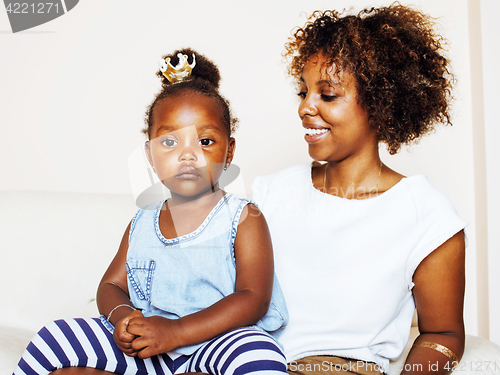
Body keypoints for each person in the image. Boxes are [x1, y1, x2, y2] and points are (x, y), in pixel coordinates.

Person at [14, 48, 288, 375]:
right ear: (150, 153)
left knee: (258, 352)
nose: (188, 155)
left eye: (205, 141)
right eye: (170, 142)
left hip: (217, 341)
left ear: (229, 151)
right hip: (148, 346)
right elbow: (111, 286)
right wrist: (125, 319)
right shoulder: (143, 222)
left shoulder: (243, 218)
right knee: (55, 337)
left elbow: (253, 297)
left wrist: (177, 331)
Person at [252, 4, 466, 375]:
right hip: (249, 362)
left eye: (327, 95)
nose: (305, 107)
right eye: (303, 92)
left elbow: (444, 333)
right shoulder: (269, 193)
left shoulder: (427, 215)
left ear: (381, 104)